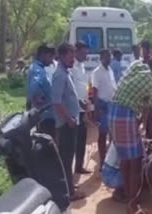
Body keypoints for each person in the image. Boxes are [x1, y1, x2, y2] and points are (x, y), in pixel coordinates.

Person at [108, 59, 152, 214]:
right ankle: (132, 201)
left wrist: (139, 120)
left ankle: (128, 193)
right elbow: (151, 111)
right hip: (125, 116)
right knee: (136, 160)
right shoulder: (151, 82)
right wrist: (150, 132)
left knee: (125, 159)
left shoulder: (135, 67)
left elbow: (140, 105)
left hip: (113, 114)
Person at [52, 43, 84, 201]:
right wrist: (69, 119)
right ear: (63, 56)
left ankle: (69, 185)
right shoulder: (59, 75)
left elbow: (69, 96)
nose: (73, 60)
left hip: (71, 122)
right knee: (66, 158)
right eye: (71, 57)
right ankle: (69, 192)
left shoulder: (66, 72)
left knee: (68, 156)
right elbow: (57, 102)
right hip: (66, 125)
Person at [92, 49, 117, 168]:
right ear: (101, 58)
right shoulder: (97, 72)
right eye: (106, 57)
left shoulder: (110, 70)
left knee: (112, 135)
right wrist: (95, 110)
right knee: (102, 134)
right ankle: (102, 160)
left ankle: (109, 161)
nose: (109, 59)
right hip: (102, 107)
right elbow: (94, 92)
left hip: (112, 105)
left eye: (110, 56)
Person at [27, 44, 56, 138]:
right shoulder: (38, 70)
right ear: (43, 55)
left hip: (47, 115)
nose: (52, 61)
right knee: (48, 145)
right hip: (45, 116)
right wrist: (38, 98)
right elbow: (34, 87)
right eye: (50, 57)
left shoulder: (38, 68)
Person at [72, 41, 91, 174]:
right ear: (76, 51)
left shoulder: (82, 66)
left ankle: (79, 166)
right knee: (73, 141)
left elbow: (83, 86)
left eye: (86, 53)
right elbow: (70, 90)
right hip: (73, 110)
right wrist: (79, 102)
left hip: (82, 109)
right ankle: (70, 170)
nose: (86, 56)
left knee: (82, 139)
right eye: (83, 53)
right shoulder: (71, 66)